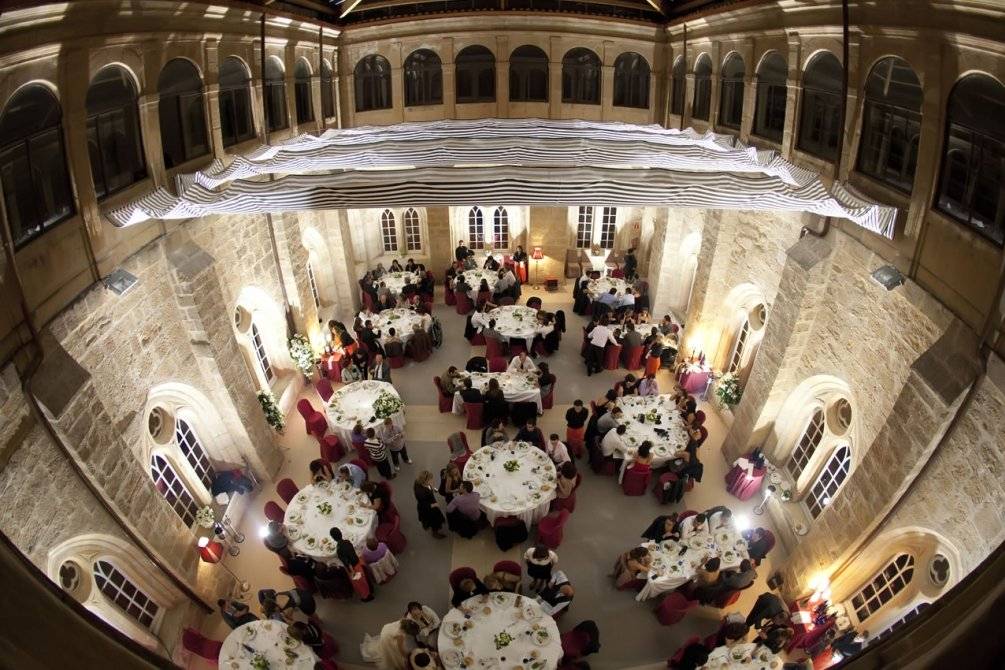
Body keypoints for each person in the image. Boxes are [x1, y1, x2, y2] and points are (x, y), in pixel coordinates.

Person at [330, 527, 373, 601]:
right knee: (363, 580)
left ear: (333, 538)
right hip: (357, 562)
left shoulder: (339, 549)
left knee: (359, 583)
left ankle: (366, 596)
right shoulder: (347, 542)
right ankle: (369, 591)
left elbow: (347, 562)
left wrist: (352, 572)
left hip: (353, 568)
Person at [413, 470, 446, 539]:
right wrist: (434, 505)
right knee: (434, 521)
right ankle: (435, 533)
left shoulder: (418, 482)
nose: (432, 481)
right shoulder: (420, 493)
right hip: (428, 509)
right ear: (424, 481)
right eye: (430, 480)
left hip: (430, 502)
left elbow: (428, 486)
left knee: (433, 518)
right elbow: (424, 505)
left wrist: (432, 488)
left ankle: (431, 526)